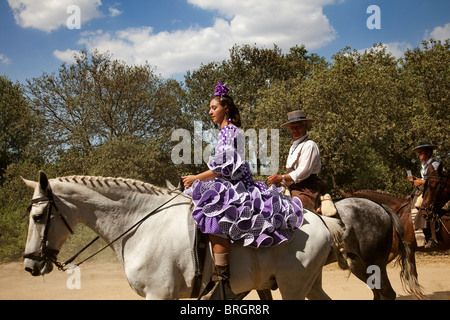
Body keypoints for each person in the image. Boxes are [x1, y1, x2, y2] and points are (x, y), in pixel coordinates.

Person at [182, 82, 303, 298]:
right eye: (210, 108)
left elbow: (223, 168)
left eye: (213, 107)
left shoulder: (230, 131)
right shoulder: (224, 133)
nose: (210, 112)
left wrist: (195, 178)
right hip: (228, 183)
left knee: (214, 215)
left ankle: (222, 277)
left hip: (234, 186)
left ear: (225, 108)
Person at [267, 110, 326, 212]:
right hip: (292, 186)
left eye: (298, 126)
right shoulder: (294, 146)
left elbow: (303, 172)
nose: (295, 130)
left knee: (296, 211)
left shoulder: (309, 145)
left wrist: (280, 178)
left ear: (306, 126)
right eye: (292, 127)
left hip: (306, 189)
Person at [408, 142, 441, 248]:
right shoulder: (424, 166)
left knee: (421, 206)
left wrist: (421, 182)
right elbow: (427, 180)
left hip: (435, 195)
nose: (419, 154)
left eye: (421, 152)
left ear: (428, 153)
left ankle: (430, 237)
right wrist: (416, 179)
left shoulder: (435, 165)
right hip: (428, 193)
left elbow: (439, 181)